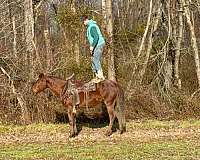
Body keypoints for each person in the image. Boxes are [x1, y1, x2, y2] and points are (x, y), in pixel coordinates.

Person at [81, 15, 106, 83]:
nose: (83, 23)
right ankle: (97, 76)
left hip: (98, 45)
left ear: (86, 20)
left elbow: (96, 37)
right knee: (93, 60)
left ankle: (100, 76)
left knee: (95, 59)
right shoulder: (90, 26)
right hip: (96, 45)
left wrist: (92, 46)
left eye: (83, 21)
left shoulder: (92, 26)